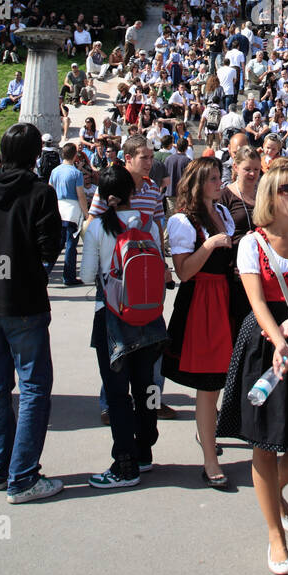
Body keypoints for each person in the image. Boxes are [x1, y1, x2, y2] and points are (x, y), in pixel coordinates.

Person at [217, 160, 288, 575]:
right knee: (265, 441)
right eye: (287, 189)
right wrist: (279, 337)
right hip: (264, 344)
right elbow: (257, 302)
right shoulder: (253, 243)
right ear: (270, 195)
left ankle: (272, 492)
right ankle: (275, 536)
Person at [0, 123, 64, 502]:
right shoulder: (40, 192)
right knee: (34, 387)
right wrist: (28, 272)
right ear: (36, 154)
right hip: (23, 302)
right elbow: (48, 246)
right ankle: (22, 476)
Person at [81, 163, 166, 487]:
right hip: (149, 315)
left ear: (103, 196)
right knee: (146, 386)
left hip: (113, 315)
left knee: (117, 393)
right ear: (132, 192)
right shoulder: (149, 225)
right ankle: (144, 451)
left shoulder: (99, 228)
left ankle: (124, 462)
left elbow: (89, 275)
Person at [164, 159, 238, 486]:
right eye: (211, 178)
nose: (218, 182)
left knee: (219, 381)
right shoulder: (182, 222)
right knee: (208, 385)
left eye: (219, 177)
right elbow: (183, 272)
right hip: (201, 303)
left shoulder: (221, 214)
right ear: (196, 183)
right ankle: (210, 460)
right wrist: (209, 244)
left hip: (225, 299)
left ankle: (207, 439)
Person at [49, 143, 88, 286]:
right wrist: (86, 213)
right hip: (72, 210)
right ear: (74, 155)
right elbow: (81, 195)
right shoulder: (76, 173)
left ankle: (45, 270)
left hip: (58, 208)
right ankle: (69, 276)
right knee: (71, 245)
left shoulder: (55, 171)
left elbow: (50, 189)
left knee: (57, 244)